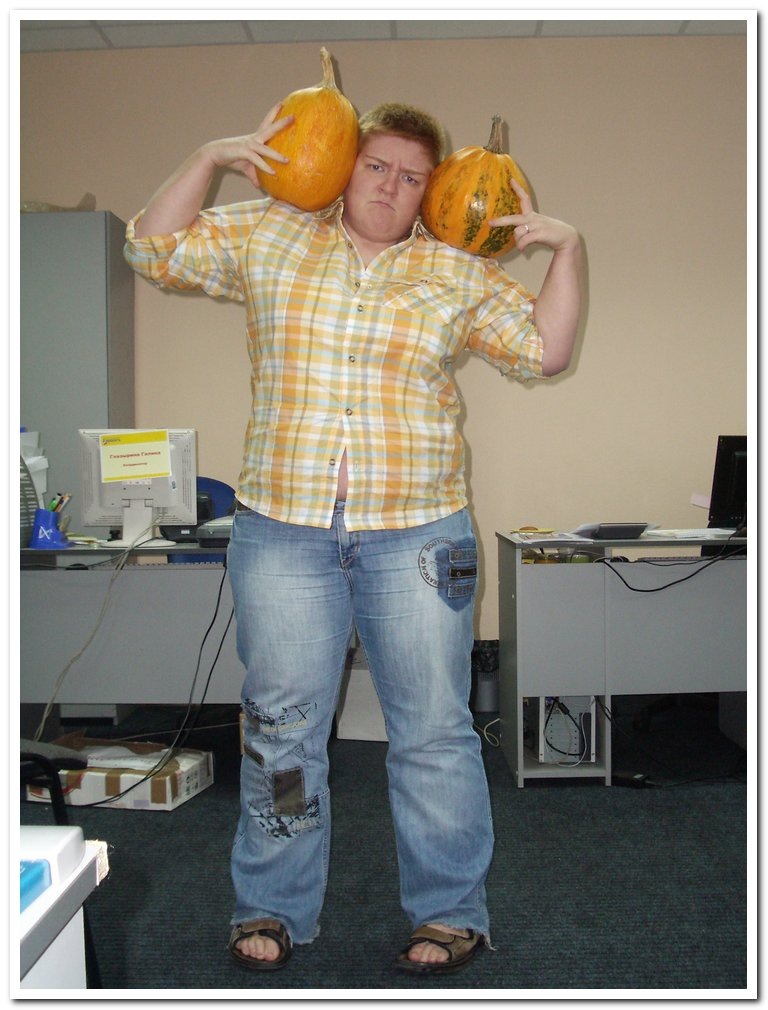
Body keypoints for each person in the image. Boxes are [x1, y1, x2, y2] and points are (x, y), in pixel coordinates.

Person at [124, 99, 582, 975]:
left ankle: (448, 911)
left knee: (435, 731)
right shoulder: (272, 233)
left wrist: (568, 249)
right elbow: (153, 248)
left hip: (418, 533)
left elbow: (544, 351)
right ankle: (272, 902)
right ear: (348, 166)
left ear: (429, 190)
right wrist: (211, 155)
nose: (390, 186)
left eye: (412, 177)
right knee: (282, 727)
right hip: (284, 532)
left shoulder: (455, 269)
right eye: (377, 166)